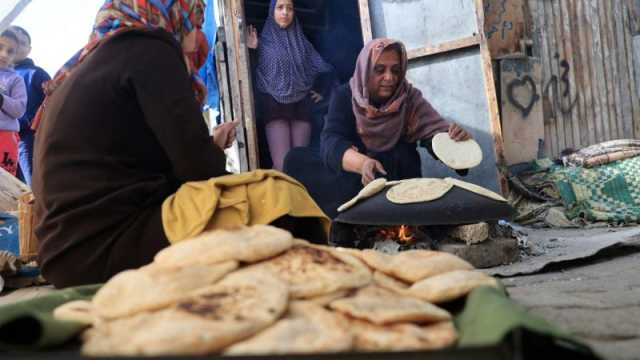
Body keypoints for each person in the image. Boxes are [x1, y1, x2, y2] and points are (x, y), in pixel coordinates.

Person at [32, 0, 328, 289]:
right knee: (279, 194)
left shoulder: (90, 64)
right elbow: (198, 170)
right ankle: (317, 291)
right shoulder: (150, 48)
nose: (200, 38)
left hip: (65, 254)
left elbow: (142, 162)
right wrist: (211, 153)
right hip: (107, 246)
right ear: (176, 14)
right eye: (197, 24)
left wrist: (207, 149)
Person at [284, 38, 472, 218]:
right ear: (365, 71)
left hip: (398, 180)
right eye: (380, 70)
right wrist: (363, 164)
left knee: (398, 155)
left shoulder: (410, 99)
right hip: (358, 179)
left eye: (396, 70)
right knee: (296, 159)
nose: (389, 78)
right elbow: (331, 141)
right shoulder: (344, 96)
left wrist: (455, 141)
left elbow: (434, 137)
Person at [246, 0, 333, 171]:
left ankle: (300, 197)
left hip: (301, 106)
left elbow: (322, 67)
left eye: (289, 8)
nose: (285, 12)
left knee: (301, 165)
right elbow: (252, 76)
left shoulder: (302, 43)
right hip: (275, 107)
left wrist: (322, 90)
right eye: (280, 8)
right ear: (272, 12)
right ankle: (281, 197)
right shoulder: (263, 43)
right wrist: (252, 51)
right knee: (282, 165)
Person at [8, 26, 50, 186]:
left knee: (34, 190)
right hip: (6, 142)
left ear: (29, 50)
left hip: (28, 139)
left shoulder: (35, 74)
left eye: (22, 43)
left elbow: (53, 102)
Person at [0, 29, 26, 176]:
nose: (4, 54)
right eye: (0, 47)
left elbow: (19, 109)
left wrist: (2, 99)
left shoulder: (16, 80)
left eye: (10, 52)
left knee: (3, 183)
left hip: (5, 136)